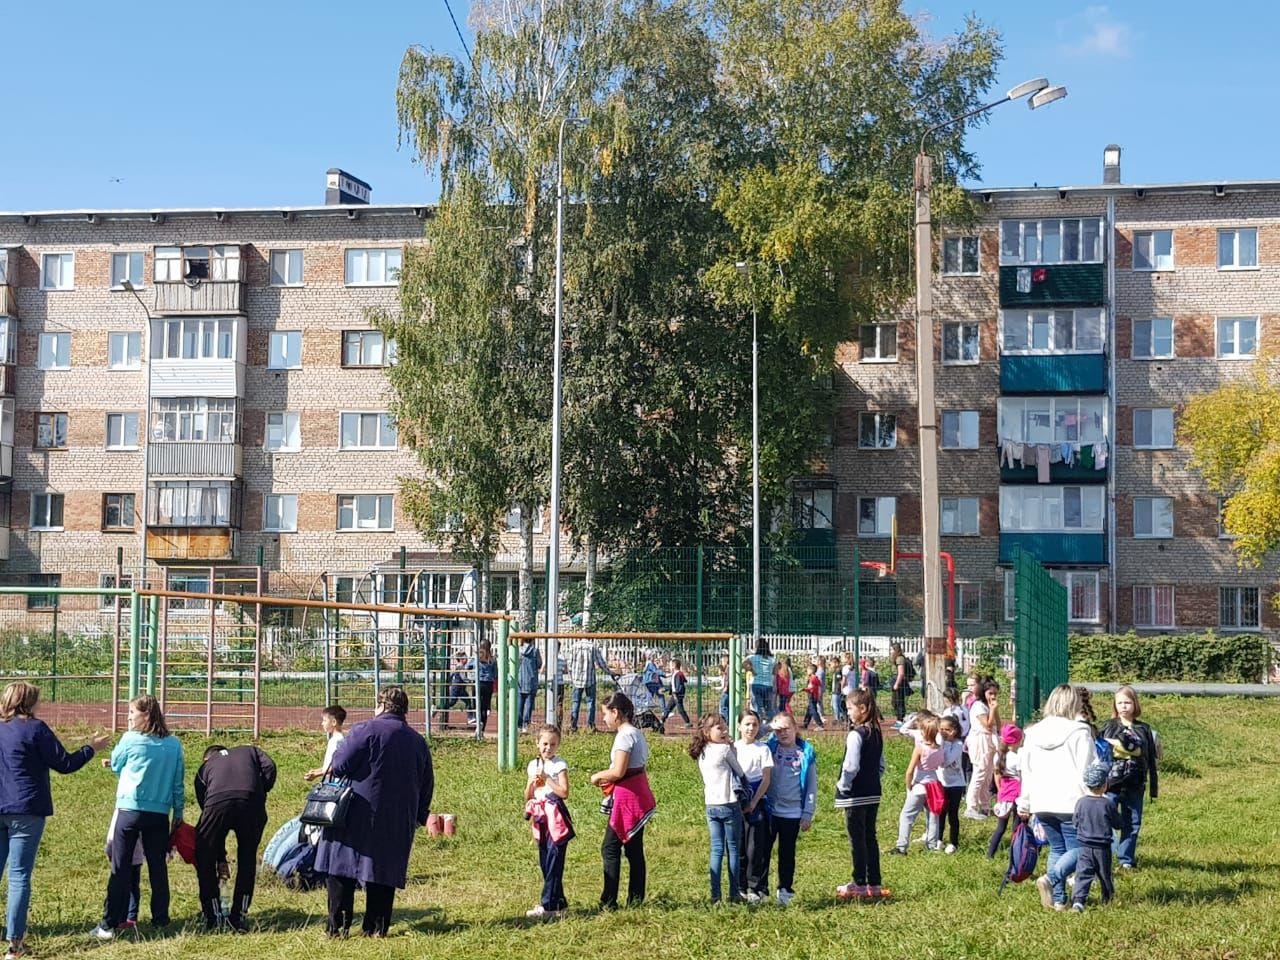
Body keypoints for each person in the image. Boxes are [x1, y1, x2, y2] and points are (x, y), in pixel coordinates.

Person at [0, 681, 108, 958]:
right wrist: (90, 748)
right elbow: (65, 764)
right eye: (38, 699)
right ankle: (15, 944)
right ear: (28, 702)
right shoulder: (36, 729)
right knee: (19, 875)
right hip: (27, 807)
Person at [316, 686, 434, 938]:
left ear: (380, 706)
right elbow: (426, 783)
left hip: (357, 810)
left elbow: (340, 765)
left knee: (342, 868)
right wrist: (420, 814)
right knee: (383, 871)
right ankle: (376, 928)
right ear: (405, 710)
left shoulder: (365, 729)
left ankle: (338, 927)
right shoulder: (417, 741)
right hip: (397, 817)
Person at [91, 695, 185, 941]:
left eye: (132, 712)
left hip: (130, 810)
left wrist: (118, 765)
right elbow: (177, 783)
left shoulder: (130, 739)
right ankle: (160, 919)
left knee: (120, 867)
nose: (129, 716)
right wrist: (179, 813)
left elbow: (116, 765)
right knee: (157, 868)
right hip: (159, 814)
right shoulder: (174, 744)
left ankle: (108, 923)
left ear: (146, 715)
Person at [1020, 684, 1098, 912]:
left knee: (1057, 849)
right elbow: (1088, 769)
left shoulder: (1033, 733)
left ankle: (1058, 900)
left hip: (1041, 800)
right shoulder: (1079, 732)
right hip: (1071, 801)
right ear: (1073, 703)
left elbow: (1027, 769)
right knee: (1084, 850)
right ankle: (1050, 877)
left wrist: (1024, 802)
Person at [194, 743, 277, 931]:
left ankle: (213, 916)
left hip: (217, 802)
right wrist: (260, 789)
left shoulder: (205, 767)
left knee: (204, 855)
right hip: (251, 802)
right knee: (247, 859)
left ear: (207, 758)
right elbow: (269, 766)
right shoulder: (250, 750)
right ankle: (238, 915)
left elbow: (206, 807)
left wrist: (218, 857)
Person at [589, 693, 655, 909]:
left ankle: (609, 900)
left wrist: (598, 776)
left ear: (616, 712)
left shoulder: (624, 736)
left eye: (605, 713)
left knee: (610, 848)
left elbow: (618, 771)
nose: (604, 718)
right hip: (637, 794)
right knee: (634, 848)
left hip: (628, 798)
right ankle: (635, 899)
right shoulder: (636, 733)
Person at [1099, 685, 1160, 870]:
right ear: (1115, 705)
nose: (1124, 706)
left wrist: (1153, 785)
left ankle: (1125, 859)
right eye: (1120, 703)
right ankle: (1107, 854)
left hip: (1135, 781)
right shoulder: (1109, 726)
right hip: (1112, 782)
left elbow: (1145, 753)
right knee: (1106, 818)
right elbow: (1102, 750)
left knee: (1132, 821)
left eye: (1127, 702)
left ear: (1135, 704)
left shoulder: (1143, 728)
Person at [689, 714, 746, 903]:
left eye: (724, 727)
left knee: (716, 850)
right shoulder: (723, 750)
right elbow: (739, 770)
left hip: (711, 805)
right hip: (729, 803)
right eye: (719, 728)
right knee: (733, 849)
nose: (724, 731)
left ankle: (715, 894)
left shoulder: (702, 751)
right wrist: (731, 748)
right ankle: (734, 892)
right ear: (707, 732)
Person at [834, 688, 885, 900]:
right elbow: (881, 765)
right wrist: (872, 779)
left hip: (855, 795)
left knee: (857, 839)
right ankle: (874, 882)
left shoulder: (856, 735)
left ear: (862, 709)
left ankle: (859, 882)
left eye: (849, 708)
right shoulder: (877, 733)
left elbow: (851, 766)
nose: (847, 713)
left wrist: (843, 785)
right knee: (870, 837)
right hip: (873, 792)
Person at [763, 713, 815, 906]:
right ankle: (761, 889)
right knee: (763, 851)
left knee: (787, 853)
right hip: (770, 810)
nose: (782, 733)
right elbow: (752, 735)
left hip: (792, 813)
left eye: (787, 728)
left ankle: (785, 889)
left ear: (796, 729)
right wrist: (769, 726)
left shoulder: (806, 753)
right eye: (779, 730)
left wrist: (808, 812)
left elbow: (811, 785)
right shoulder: (770, 748)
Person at [523, 725, 571, 920]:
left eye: (552, 744)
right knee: (545, 860)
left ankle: (547, 905)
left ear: (558, 745)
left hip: (556, 816)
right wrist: (531, 784)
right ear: (537, 744)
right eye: (544, 744)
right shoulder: (532, 765)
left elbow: (564, 792)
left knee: (554, 858)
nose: (548, 748)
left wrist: (547, 780)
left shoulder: (559, 765)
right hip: (540, 815)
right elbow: (528, 795)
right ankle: (559, 901)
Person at [734, 710, 773, 903]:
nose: (751, 728)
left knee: (754, 848)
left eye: (755, 725)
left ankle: (755, 886)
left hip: (755, 802)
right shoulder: (733, 748)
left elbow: (766, 779)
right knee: (738, 846)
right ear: (739, 725)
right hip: (735, 802)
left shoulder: (763, 749)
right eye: (747, 724)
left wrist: (753, 803)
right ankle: (739, 886)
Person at [890, 712, 943, 855]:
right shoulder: (940, 748)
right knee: (933, 816)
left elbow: (909, 771)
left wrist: (909, 787)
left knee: (907, 816)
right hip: (934, 784)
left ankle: (902, 846)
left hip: (920, 784)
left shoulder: (920, 747)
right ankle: (932, 846)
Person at [1071, 762, 1121, 912]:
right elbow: (1117, 823)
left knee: (1083, 872)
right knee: (1104, 873)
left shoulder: (1081, 803)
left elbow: (1075, 822)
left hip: (1084, 846)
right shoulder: (1107, 803)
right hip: (1102, 846)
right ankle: (1108, 898)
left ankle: (1078, 901)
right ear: (1105, 784)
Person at [102, 809, 144, 933]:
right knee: (133, 888)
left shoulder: (121, 813)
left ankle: (123, 917)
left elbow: (111, 836)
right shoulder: (141, 813)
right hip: (137, 858)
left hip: (123, 859)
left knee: (123, 887)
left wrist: (109, 851)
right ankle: (131, 916)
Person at [964, 680, 1001, 819]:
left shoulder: (988, 705)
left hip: (989, 740)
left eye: (995, 694)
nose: (993, 696)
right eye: (990, 693)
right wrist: (992, 710)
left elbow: (997, 724)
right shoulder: (979, 706)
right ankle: (971, 806)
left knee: (988, 774)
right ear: (983, 692)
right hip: (980, 741)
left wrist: (994, 709)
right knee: (979, 772)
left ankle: (985, 805)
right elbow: (988, 725)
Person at [986, 723, 1023, 859]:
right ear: (1017, 741)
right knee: (1017, 828)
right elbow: (1021, 777)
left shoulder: (998, 756)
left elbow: (997, 775)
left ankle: (990, 854)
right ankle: (1015, 855)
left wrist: (1001, 791)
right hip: (1017, 792)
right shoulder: (1018, 758)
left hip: (1005, 791)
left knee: (1001, 827)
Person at [569, 637, 614, 733]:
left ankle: (573, 725)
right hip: (590, 678)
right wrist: (609, 672)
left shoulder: (574, 646)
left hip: (576, 679)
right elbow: (600, 663)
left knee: (575, 702)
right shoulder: (592, 646)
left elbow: (569, 664)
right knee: (590, 703)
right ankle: (590, 725)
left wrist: (571, 676)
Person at [936, 716, 965, 854]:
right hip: (942, 782)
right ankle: (938, 839)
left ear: (954, 730)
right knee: (940, 813)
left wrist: (945, 743)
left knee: (952, 814)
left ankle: (954, 842)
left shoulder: (958, 745)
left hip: (956, 784)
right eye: (940, 729)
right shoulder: (941, 742)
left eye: (946, 730)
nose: (942, 732)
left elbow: (945, 761)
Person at [305, 705, 346, 782]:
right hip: (329, 779)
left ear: (333, 722)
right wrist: (316, 771)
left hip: (333, 781)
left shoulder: (338, 741)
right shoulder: (334, 739)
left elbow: (335, 766)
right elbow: (329, 765)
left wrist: (316, 775)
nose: (322, 723)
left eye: (324, 720)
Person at [743, 641, 777, 720]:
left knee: (757, 707)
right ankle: (770, 725)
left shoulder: (752, 658)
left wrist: (751, 670)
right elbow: (774, 673)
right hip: (768, 685)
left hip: (756, 684)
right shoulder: (773, 659)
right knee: (769, 708)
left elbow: (743, 664)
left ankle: (758, 722)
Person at [518, 637, 543, 734]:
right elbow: (539, 664)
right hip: (531, 679)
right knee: (528, 703)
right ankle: (525, 724)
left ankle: (518, 725)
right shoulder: (535, 650)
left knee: (519, 703)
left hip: (520, 679)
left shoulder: (518, 650)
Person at [473, 641, 498, 735]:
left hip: (479, 683)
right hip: (489, 684)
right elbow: (495, 673)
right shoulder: (493, 659)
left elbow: (470, 666)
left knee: (477, 705)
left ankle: (477, 725)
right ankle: (482, 729)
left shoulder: (477, 657)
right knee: (485, 707)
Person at [662, 659, 692, 728]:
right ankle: (662, 720)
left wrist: (676, 693)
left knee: (680, 709)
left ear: (673, 666)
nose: (669, 667)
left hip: (677, 695)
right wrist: (665, 689)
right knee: (668, 707)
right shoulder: (675, 674)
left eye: (670, 665)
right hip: (674, 695)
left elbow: (679, 686)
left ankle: (687, 722)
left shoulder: (678, 674)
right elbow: (672, 685)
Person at [890, 644, 911, 723]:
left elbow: (901, 673)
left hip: (899, 682)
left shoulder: (900, 659)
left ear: (895, 650)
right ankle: (899, 719)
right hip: (896, 680)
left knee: (899, 701)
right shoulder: (897, 658)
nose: (891, 651)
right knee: (895, 702)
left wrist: (897, 684)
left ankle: (900, 720)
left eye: (892, 650)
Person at [801, 662, 824, 731]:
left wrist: (804, 689)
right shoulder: (814, 678)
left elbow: (812, 689)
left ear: (811, 670)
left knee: (813, 710)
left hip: (813, 696)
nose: (807, 671)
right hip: (813, 696)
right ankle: (805, 723)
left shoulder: (813, 679)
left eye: (807, 670)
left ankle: (820, 724)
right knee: (809, 710)